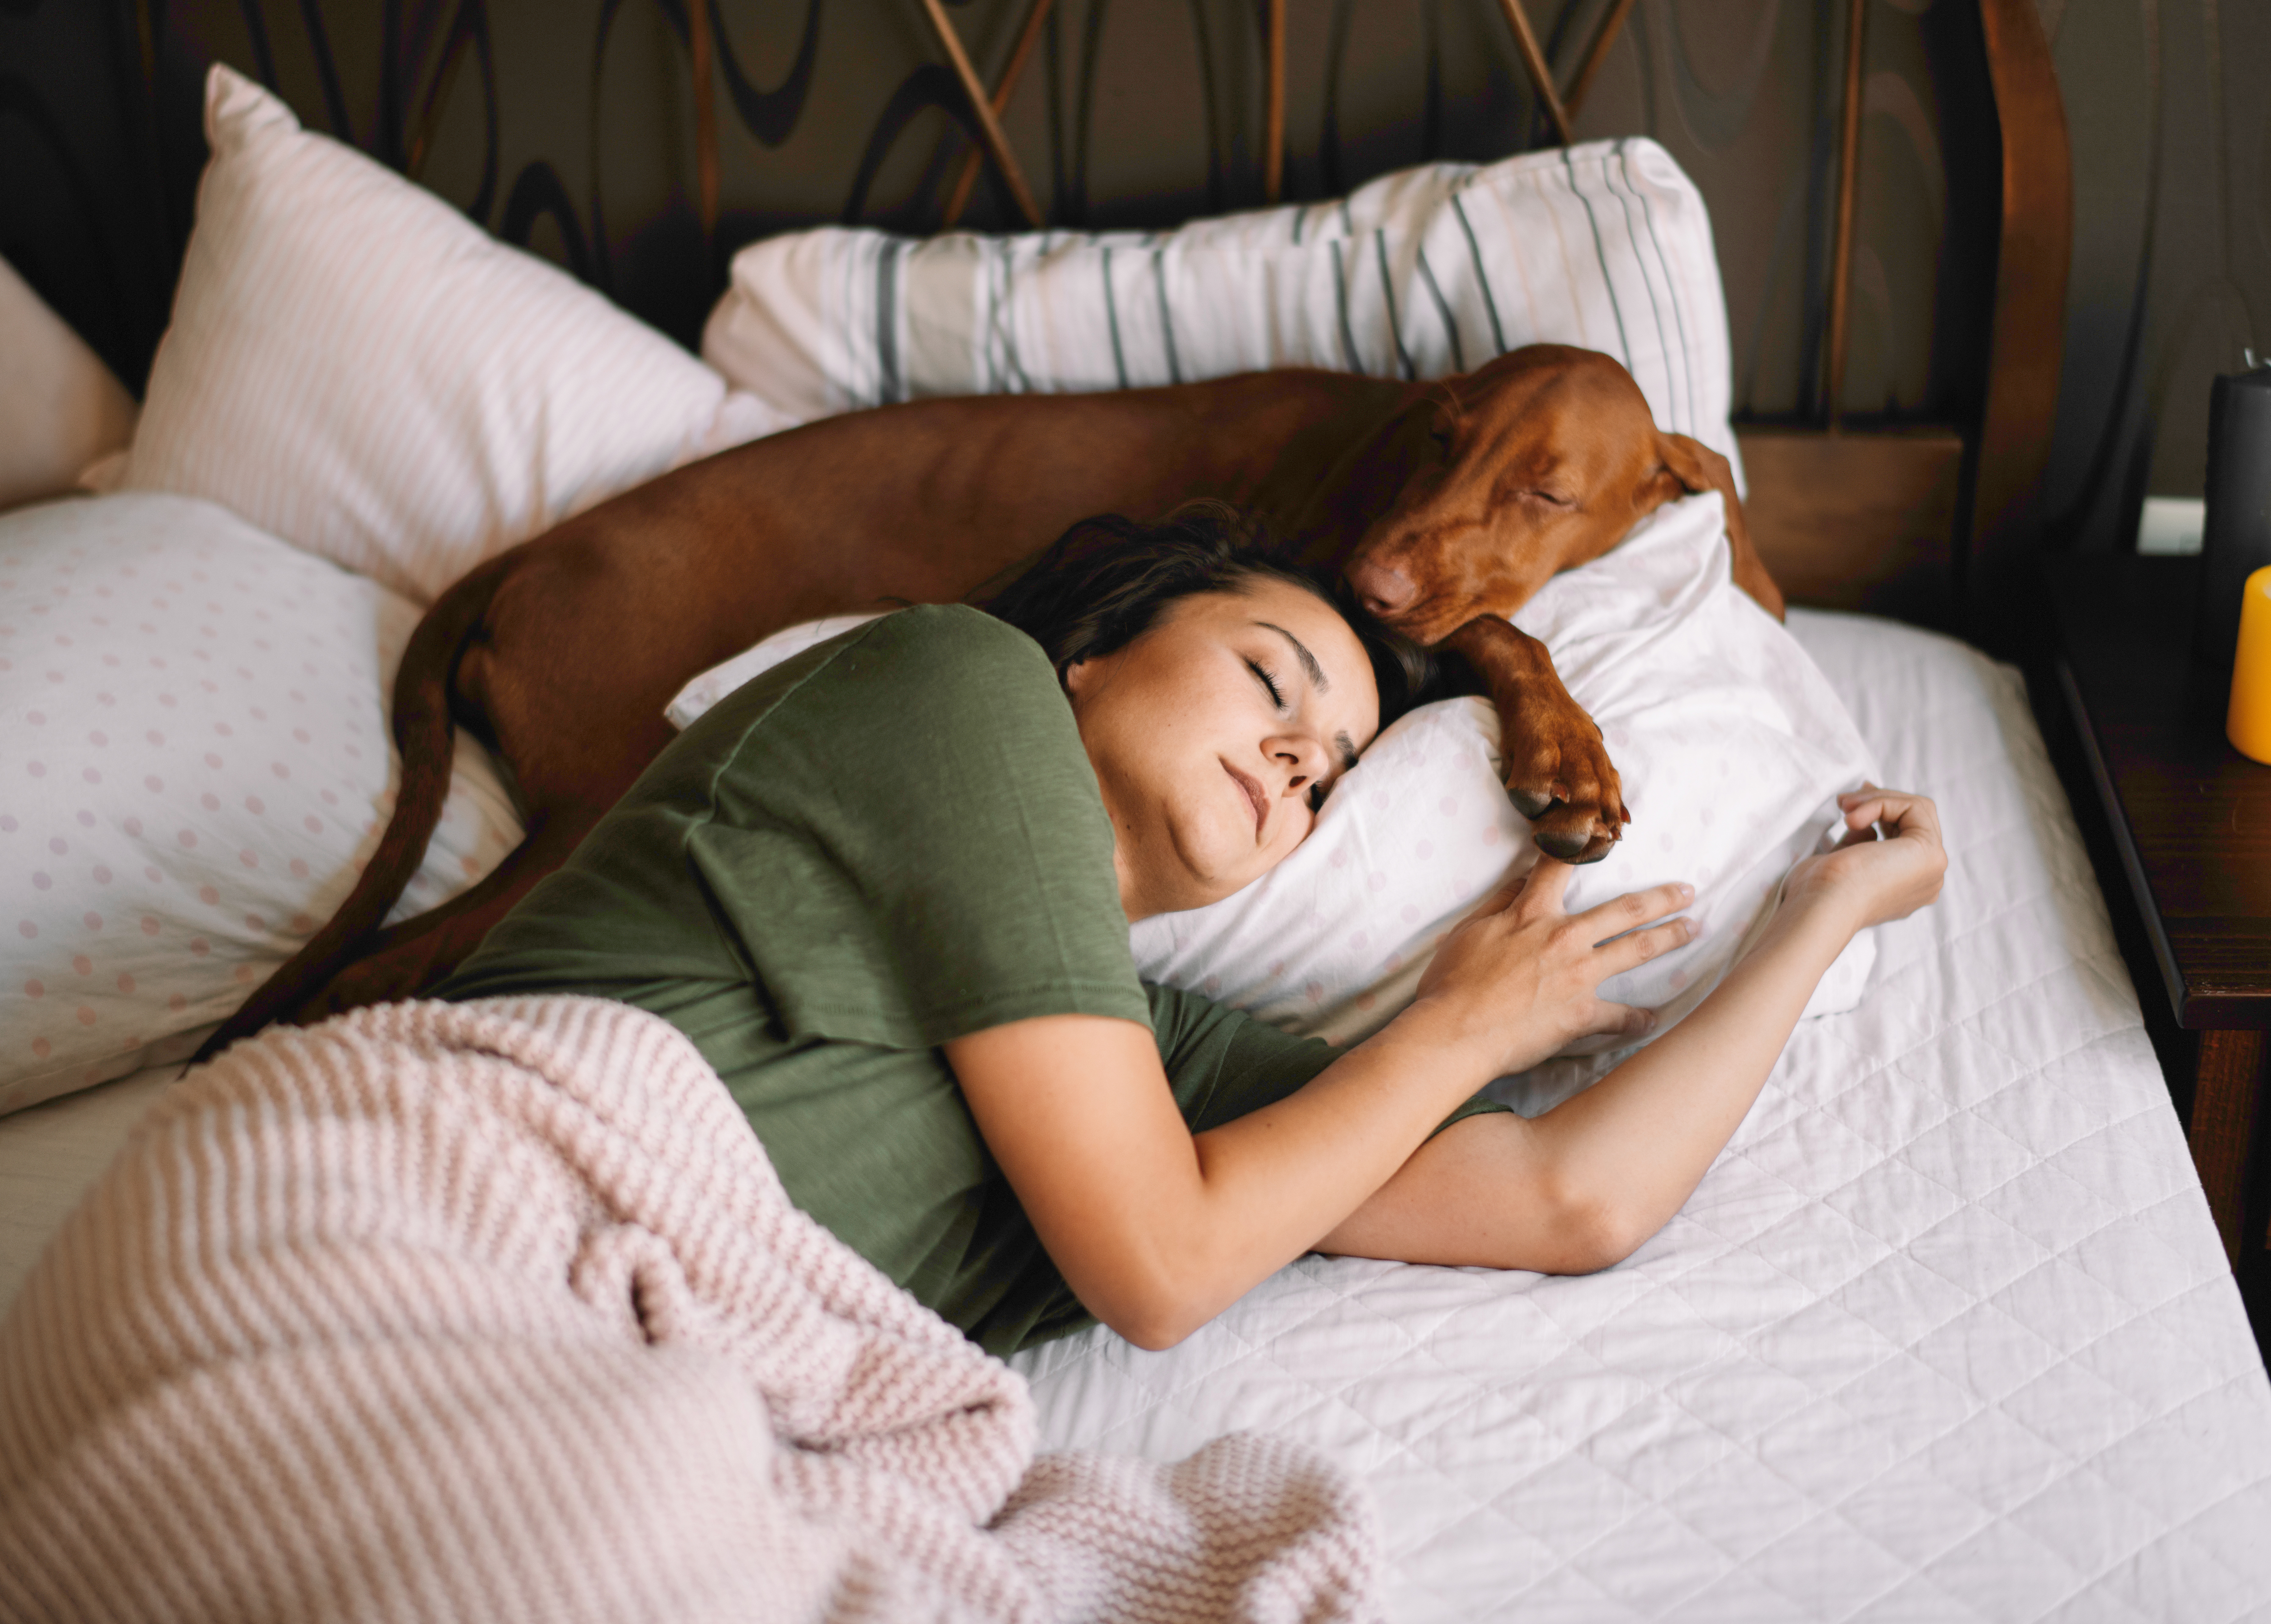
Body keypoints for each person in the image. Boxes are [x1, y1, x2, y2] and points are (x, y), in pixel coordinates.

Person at [432, 510, 1945, 1357]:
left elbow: (1574, 1199)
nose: (1301, 758)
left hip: (624, 1386)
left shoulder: (1152, 1076)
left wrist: (1823, 911)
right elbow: (1160, 1266)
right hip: (446, 1204)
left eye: (1334, 774)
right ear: (1093, 656)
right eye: (1271, 678)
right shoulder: (960, 683)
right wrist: (1462, 1028)